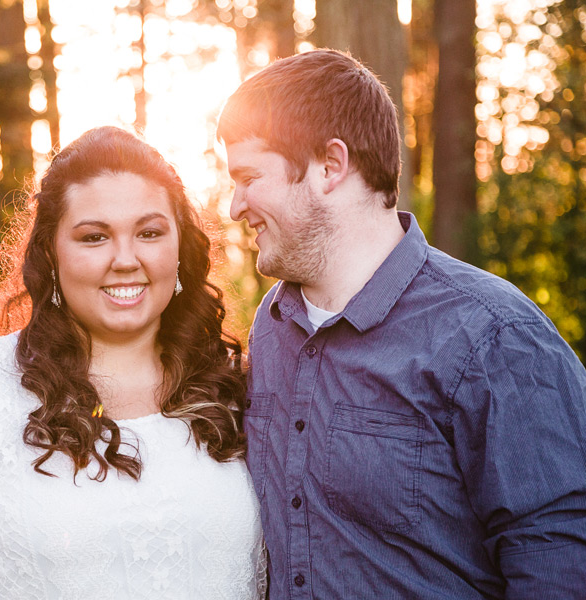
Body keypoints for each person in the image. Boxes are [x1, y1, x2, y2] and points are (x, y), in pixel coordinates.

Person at [218, 49, 586, 598]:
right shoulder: (272, 327)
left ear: (329, 166)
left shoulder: (494, 336)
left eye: (249, 177)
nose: (233, 206)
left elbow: (558, 555)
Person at [0, 126, 266, 599]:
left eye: (150, 232)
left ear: (180, 248)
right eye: (94, 237)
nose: (125, 259)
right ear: (50, 254)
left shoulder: (242, 390)